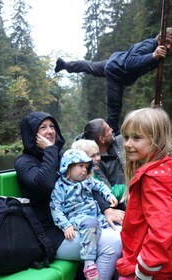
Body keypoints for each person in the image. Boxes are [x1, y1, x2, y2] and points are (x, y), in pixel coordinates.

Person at [14, 112, 123, 280]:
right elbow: (47, 184)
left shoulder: (61, 156)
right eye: (42, 128)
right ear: (31, 134)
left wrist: (106, 208)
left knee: (125, 233)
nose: (50, 131)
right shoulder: (24, 163)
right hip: (53, 234)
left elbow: (88, 182)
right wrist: (51, 150)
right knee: (113, 243)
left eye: (52, 126)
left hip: (80, 221)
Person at [55, 27, 172, 135]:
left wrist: (157, 94)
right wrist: (152, 56)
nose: (168, 46)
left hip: (115, 61)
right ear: (159, 39)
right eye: (166, 42)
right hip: (117, 71)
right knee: (115, 104)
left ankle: (65, 65)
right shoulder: (148, 46)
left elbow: (157, 73)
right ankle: (112, 133)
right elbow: (130, 63)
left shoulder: (163, 52)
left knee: (91, 66)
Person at [116, 108, 172, 279]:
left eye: (136, 137)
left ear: (156, 139)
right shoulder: (168, 168)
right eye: (126, 137)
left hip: (149, 269)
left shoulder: (152, 180)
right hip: (166, 264)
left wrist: (143, 271)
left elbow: (162, 230)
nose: (127, 143)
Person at [51, 149, 118, 280]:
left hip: (96, 216)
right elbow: (55, 208)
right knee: (89, 225)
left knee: (116, 226)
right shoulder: (60, 187)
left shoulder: (87, 181)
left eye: (86, 167)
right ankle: (89, 264)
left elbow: (100, 185)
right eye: (80, 166)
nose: (84, 170)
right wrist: (66, 226)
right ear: (68, 166)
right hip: (77, 218)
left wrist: (109, 195)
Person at [81, 118, 126, 202]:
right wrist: (132, 186)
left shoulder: (118, 142)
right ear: (102, 139)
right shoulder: (93, 164)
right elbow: (108, 192)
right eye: (109, 130)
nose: (112, 130)